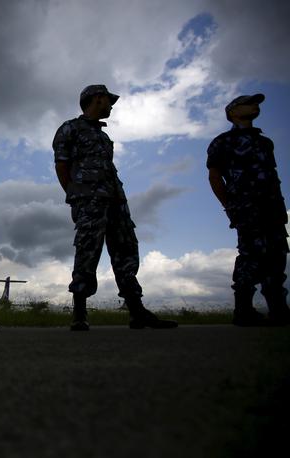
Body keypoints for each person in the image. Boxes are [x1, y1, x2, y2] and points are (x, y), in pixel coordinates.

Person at [53, 85, 177, 331]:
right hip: (89, 200)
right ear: (97, 99)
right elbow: (62, 165)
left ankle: (136, 311)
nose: (111, 106)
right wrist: (75, 195)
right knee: (88, 250)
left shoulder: (103, 136)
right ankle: (79, 312)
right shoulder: (70, 128)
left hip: (116, 200)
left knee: (126, 250)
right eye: (108, 101)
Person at [207, 94, 289, 326]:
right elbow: (215, 176)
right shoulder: (222, 142)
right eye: (249, 103)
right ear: (232, 111)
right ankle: (243, 310)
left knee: (276, 256)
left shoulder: (265, 142)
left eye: (257, 103)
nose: (255, 106)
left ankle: (279, 310)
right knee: (251, 255)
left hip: (273, 208)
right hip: (247, 208)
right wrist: (229, 206)